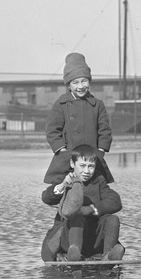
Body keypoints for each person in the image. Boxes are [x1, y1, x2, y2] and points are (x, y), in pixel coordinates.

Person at [41, 143, 126, 263]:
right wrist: (63, 185)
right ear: (72, 164)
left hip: (92, 238)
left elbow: (116, 201)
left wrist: (91, 209)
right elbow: (46, 198)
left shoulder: (99, 182)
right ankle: (74, 253)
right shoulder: (65, 180)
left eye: (91, 166)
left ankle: (108, 255)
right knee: (77, 217)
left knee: (113, 219)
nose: (87, 171)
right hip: (69, 237)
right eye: (82, 166)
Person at [43, 52, 114, 185]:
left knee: (96, 190)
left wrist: (100, 151)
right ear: (68, 85)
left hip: (91, 159)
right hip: (67, 158)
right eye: (75, 83)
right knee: (60, 190)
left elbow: (105, 131)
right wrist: (62, 150)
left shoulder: (97, 104)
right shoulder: (61, 104)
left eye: (84, 81)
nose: (80, 86)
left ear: (89, 81)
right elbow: (52, 130)